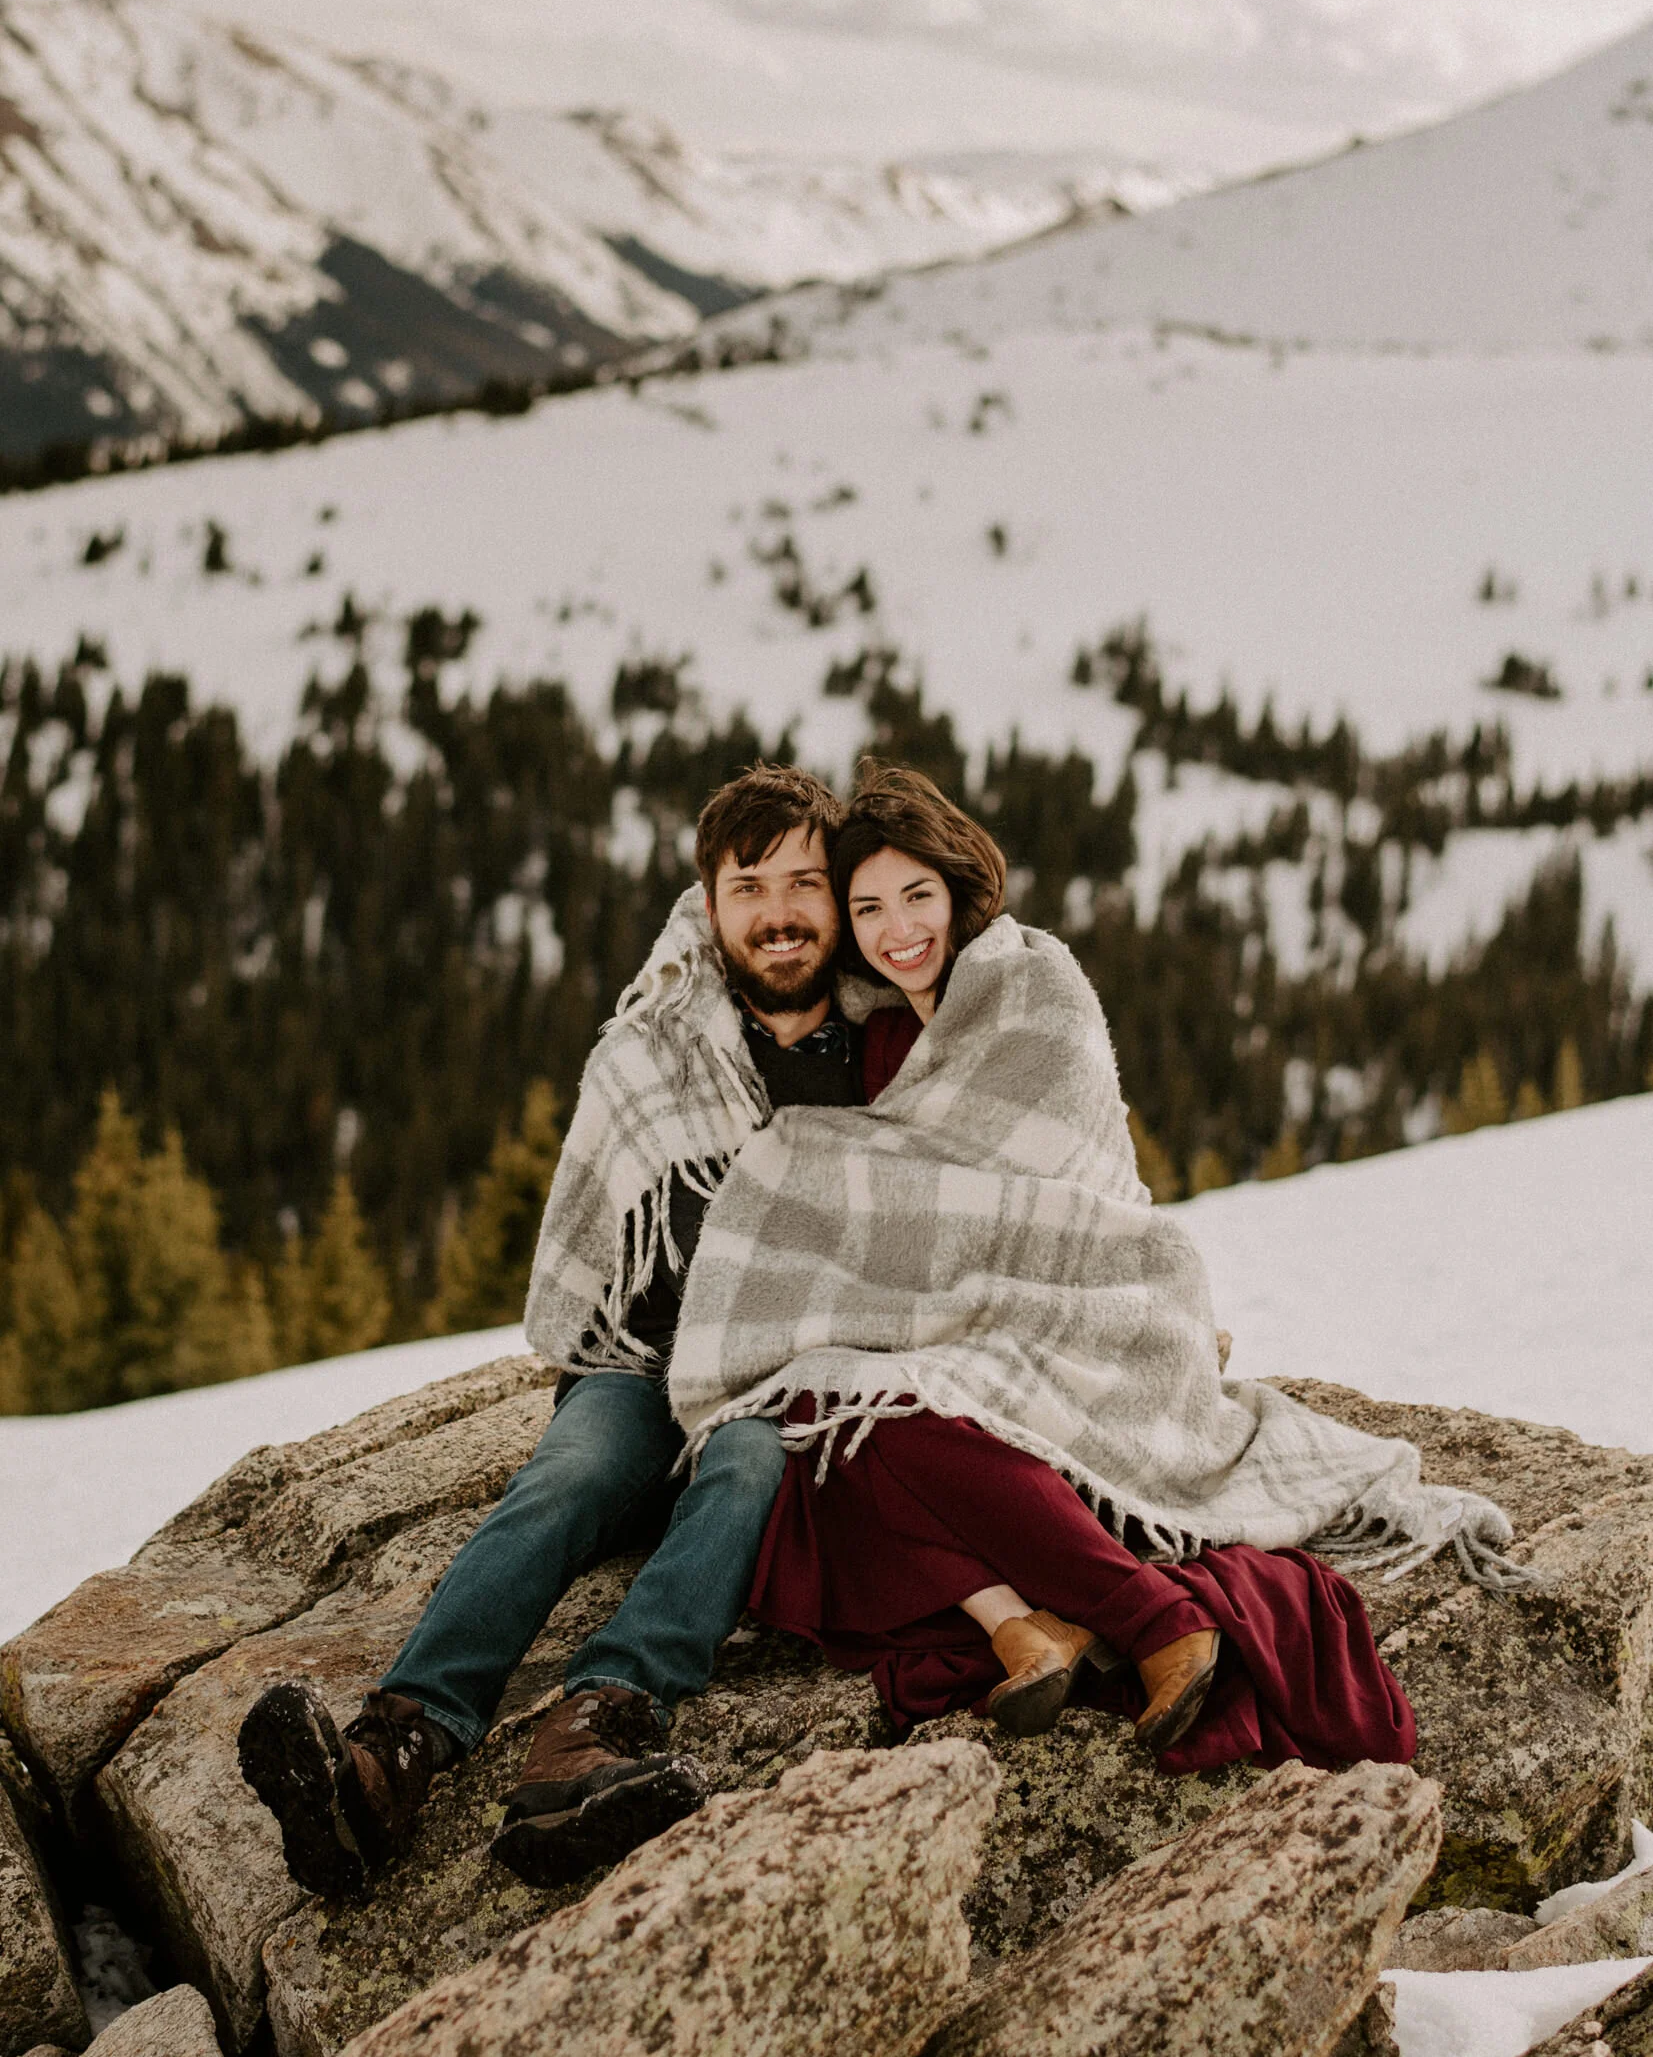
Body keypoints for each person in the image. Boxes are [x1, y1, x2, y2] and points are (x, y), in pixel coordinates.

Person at [670, 766, 1530, 1770]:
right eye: (867, 906)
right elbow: (901, 1200)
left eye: (916, 896)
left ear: (957, 888)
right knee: (820, 1435)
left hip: (1094, 1299)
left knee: (895, 1425)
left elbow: (1046, 1192)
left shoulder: (1033, 989)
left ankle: (1154, 1614)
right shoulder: (883, 1027)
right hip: (959, 1316)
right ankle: (1022, 1627)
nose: (895, 928)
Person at [239, 763, 876, 1897]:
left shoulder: (890, 1051)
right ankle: (390, 1755)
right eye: (750, 887)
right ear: (710, 905)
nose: (779, 912)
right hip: (641, 1360)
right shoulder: (657, 1044)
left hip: (782, 1387)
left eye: (804, 883)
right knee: (564, 1478)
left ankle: (591, 1730)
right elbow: (608, 1251)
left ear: (838, 898)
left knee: (744, 1469)